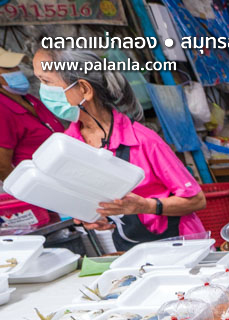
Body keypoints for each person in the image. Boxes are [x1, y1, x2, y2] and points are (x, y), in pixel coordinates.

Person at [31, 46, 206, 248]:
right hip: (129, 250)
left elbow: (196, 200)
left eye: (46, 81)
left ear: (85, 90)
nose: (41, 90)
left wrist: (147, 206)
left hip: (180, 245)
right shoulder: (69, 144)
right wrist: (95, 217)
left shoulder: (143, 140)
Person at [0, 47, 66, 185]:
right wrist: (28, 190)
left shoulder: (27, 98)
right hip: (45, 185)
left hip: (64, 173)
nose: (17, 71)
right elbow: (2, 166)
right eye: (8, 68)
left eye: (16, 67)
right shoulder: (2, 110)